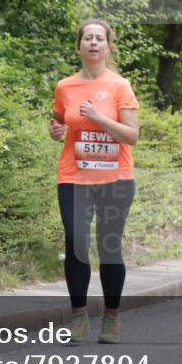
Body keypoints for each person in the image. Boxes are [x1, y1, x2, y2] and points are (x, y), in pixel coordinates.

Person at [49, 19, 140, 342]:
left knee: (109, 245)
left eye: (99, 38)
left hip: (115, 178)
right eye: (87, 38)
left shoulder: (120, 86)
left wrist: (100, 118)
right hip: (74, 176)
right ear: (78, 46)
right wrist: (56, 130)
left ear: (108, 47)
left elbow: (132, 135)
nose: (93, 43)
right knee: (76, 242)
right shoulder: (65, 86)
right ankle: (78, 316)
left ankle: (111, 319)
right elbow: (60, 120)